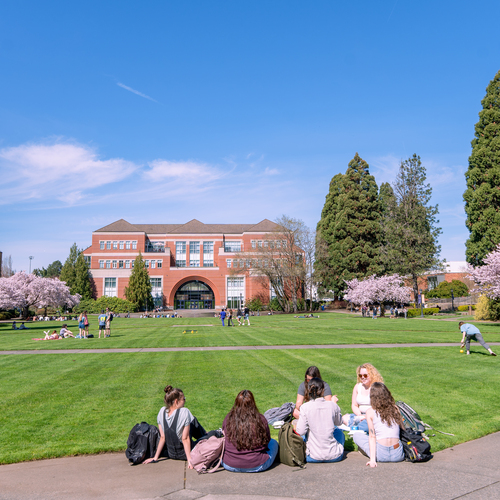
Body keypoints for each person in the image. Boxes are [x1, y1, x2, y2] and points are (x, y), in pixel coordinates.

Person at [144, 385, 206, 466]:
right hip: (185, 454)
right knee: (209, 435)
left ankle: (204, 434)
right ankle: (214, 433)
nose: (185, 401)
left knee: (192, 421)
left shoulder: (162, 411)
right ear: (176, 401)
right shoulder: (184, 412)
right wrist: (190, 460)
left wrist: (155, 458)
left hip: (171, 454)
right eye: (184, 399)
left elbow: (162, 437)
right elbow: (185, 438)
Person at [222, 390, 278, 473]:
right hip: (258, 465)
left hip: (229, 464)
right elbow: (266, 441)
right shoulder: (260, 419)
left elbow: (224, 434)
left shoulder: (228, 418)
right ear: (253, 403)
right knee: (274, 442)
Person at [352, 382, 405, 467]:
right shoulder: (395, 409)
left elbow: (372, 436)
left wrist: (372, 460)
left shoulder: (370, 412)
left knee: (357, 435)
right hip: (398, 454)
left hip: (380, 455)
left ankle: (365, 451)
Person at [296, 378, 344, 463]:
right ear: (323, 390)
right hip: (334, 456)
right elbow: (339, 422)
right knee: (339, 433)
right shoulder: (332, 405)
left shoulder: (305, 407)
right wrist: (335, 404)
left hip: (312, 456)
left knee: (304, 436)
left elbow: (300, 431)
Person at [342, 363, 384, 432]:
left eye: (365, 375)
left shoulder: (377, 387)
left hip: (373, 416)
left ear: (372, 375)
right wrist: (359, 415)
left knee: (367, 424)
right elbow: (354, 405)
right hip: (360, 415)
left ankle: (355, 427)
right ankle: (357, 427)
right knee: (344, 418)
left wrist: (366, 416)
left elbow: (380, 407)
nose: (362, 377)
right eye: (360, 375)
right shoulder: (357, 386)